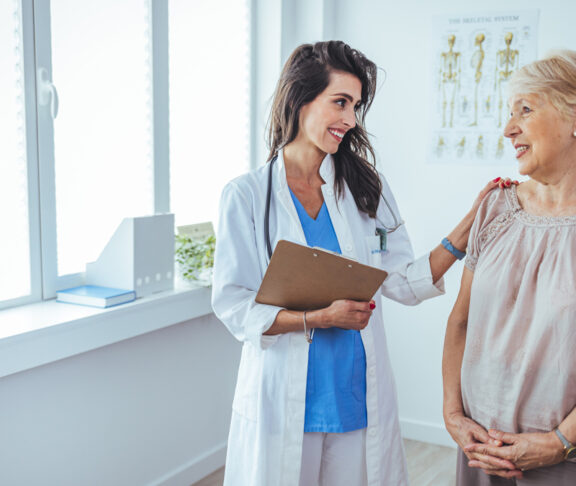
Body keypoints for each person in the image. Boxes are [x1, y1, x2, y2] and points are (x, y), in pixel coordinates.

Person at [212, 40, 501, 486]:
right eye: (340, 102)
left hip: (354, 393)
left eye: (356, 106)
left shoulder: (366, 187)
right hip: (284, 397)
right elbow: (234, 305)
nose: (350, 120)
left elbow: (403, 281)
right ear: (299, 99)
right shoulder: (247, 196)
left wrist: (470, 223)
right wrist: (317, 317)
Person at [442, 50, 576, 486]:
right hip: (479, 450)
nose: (508, 128)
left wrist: (560, 441)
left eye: (525, 109)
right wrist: (453, 414)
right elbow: (461, 321)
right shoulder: (495, 208)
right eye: (508, 112)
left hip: (560, 460)